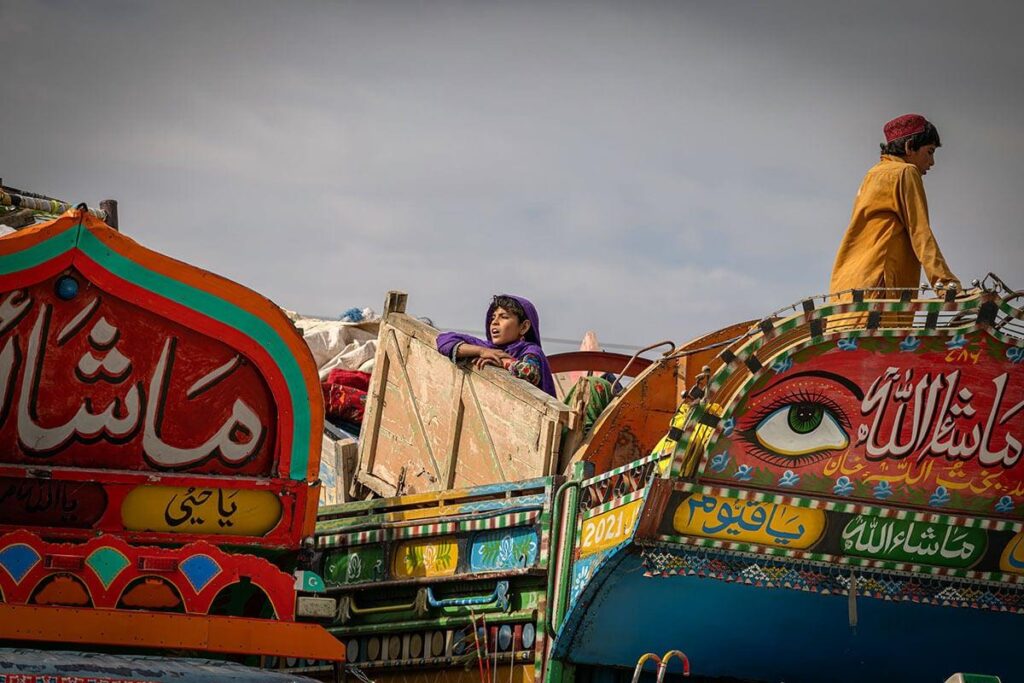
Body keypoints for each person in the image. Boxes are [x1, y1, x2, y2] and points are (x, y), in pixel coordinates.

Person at [830, 114, 960, 300]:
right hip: (880, 281)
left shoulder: (873, 174)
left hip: (848, 285)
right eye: (929, 152)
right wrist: (946, 285)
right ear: (909, 147)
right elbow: (920, 233)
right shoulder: (906, 172)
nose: (932, 162)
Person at [436, 294, 556, 397]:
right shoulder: (486, 348)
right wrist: (481, 351)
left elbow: (530, 373)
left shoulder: (530, 351)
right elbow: (443, 341)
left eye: (504, 317)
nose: (494, 322)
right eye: (493, 317)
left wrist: (504, 361)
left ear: (524, 327)